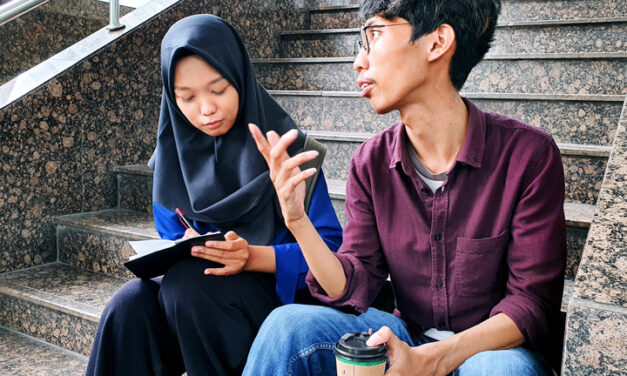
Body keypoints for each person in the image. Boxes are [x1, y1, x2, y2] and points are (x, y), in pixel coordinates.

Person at [244, 0, 566, 374]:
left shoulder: (528, 156)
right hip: (406, 335)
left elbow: (530, 304)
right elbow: (353, 283)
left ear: (437, 42)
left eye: (374, 35)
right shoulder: (370, 163)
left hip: (492, 349)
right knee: (286, 327)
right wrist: (298, 220)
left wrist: (432, 360)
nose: (358, 63)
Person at [86, 14, 342, 376]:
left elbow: (332, 255)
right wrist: (186, 245)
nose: (205, 110)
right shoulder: (170, 164)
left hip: (277, 300)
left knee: (189, 286)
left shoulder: (286, 150)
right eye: (186, 98)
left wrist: (252, 256)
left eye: (219, 90)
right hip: (196, 305)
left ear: (239, 77)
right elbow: (171, 241)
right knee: (129, 305)